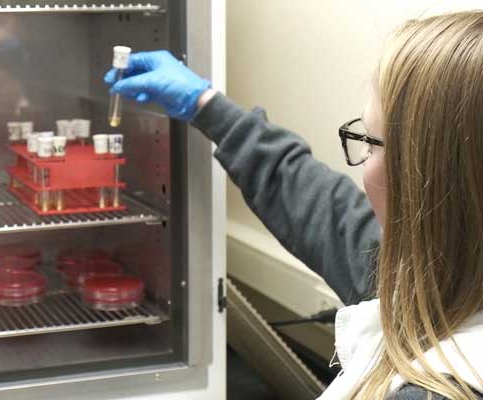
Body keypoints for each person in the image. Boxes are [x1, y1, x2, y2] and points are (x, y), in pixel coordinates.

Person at [104, 10, 483, 400]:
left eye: (370, 141)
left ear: (430, 179)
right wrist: (205, 103)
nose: (362, 162)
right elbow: (323, 208)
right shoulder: (440, 275)